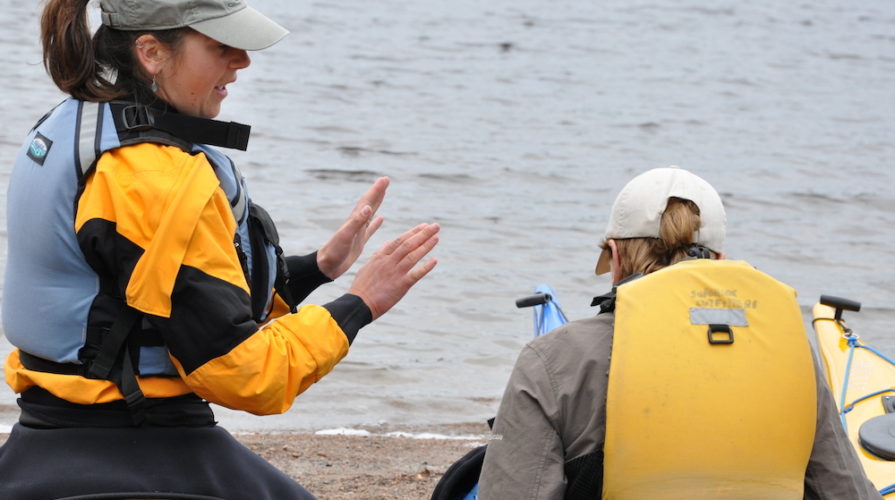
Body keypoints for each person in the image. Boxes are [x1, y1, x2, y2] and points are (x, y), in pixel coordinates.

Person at [0, 0, 439, 498]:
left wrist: (319, 269)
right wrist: (360, 305)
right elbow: (244, 373)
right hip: (137, 434)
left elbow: (147, 293)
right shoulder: (153, 176)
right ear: (151, 52)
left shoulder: (76, 123)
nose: (242, 61)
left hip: (49, 428)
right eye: (220, 46)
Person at [476, 167, 880, 499]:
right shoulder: (792, 354)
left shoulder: (552, 359)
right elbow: (845, 490)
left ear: (615, 257)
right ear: (720, 261)